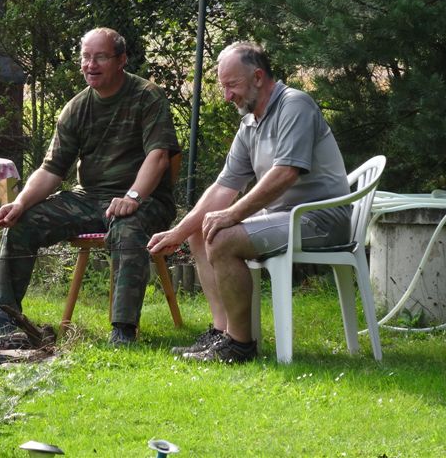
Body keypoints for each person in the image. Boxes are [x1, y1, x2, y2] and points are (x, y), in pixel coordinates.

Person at [148, 41, 351, 363]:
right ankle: (221, 332)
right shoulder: (250, 124)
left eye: (232, 85)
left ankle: (240, 346)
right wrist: (180, 231)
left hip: (322, 219)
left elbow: (286, 172)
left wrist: (232, 215)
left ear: (258, 77)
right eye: (223, 86)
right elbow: (223, 187)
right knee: (203, 229)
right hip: (286, 217)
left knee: (224, 236)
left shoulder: (295, 106)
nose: (227, 96)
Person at [0, 27, 180, 344]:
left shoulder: (147, 96)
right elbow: (51, 170)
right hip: (89, 198)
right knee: (24, 223)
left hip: (147, 201)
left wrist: (132, 196)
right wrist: (20, 204)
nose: (91, 64)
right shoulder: (76, 107)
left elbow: (159, 157)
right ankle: (3, 319)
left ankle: (122, 330)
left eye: (101, 57)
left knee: (127, 228)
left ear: (121, 60)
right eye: (86, 57)